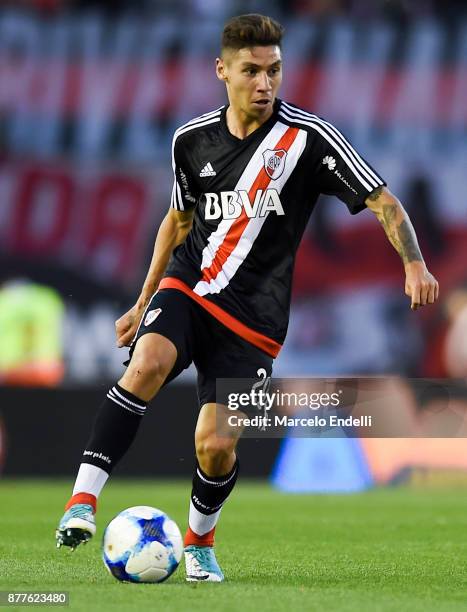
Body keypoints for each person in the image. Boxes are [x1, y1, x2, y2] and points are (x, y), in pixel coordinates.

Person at [56, 13, 439, 582]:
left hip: (255, 319)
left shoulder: (308, 140)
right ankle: (82, 502)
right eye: (252, 70)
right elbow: (178, 221)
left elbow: (384, 202)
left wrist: (414, 264)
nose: (265, 83)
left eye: (274, 70)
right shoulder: (191, 140)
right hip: (191, 285)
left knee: (214, 445)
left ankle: (200, 543)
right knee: (148, 364)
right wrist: (141, 304)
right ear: (223, 71)